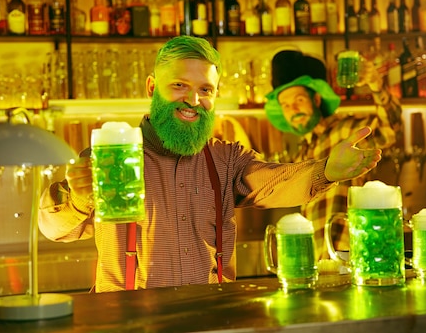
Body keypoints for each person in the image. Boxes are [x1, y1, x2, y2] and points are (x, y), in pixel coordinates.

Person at [39, 36, 382, 292]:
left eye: (206, 89)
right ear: (151, 86)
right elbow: (54, 229)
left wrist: (327, 171)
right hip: (128, 321)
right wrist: (79, 198)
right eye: (179, 85)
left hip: (211, 316)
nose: (194, 99)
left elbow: (275, 182)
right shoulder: (112, 156)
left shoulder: (226, 158)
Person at [264, 49, 403, 260]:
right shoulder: (302, 151)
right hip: (320, 263)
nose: (293, 109)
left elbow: (390, 129)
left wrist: (376, 84)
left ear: (317, 100)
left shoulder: (345, 131)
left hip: (352, 255)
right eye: (285, 105)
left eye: (299, 100)